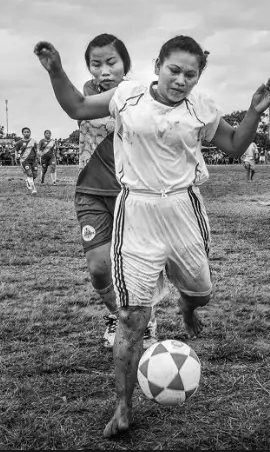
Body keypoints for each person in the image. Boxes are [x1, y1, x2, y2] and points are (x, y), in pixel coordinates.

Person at [34, 34, 270, 438]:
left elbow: (234, 145)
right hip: (137, 211)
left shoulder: (202, 107)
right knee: (131, 316)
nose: (181, 80)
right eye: (174, 70)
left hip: (184, 210)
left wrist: (253, 112)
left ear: (199, 77)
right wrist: (56, 69)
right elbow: (76, 106)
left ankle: (187, 307)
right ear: (157, 65)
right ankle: (123, 409)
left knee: (201, 293)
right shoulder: (127, 96)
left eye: (190, 74)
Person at [72, 33, 165, 350]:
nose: (103, 70)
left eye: (111, 62)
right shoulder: (88, 92)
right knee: (99, 268)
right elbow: (85, 107)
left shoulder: (141, 95)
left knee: (135, 269)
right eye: (95, 64)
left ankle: (145, 321)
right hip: (91, 189)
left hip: (133, 194)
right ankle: (119, 315)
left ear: (125, 64)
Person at [15, 127, 39, 194]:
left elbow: (36, 150)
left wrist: (37, 156)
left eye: (28, 132)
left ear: (30, 133)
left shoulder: (33, 141)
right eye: (25, 132)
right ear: (22, 133)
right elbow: (16, 150)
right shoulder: (20, 142)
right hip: (25, 160)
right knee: (30, 174)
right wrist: (16, 156)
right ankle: (33, 189)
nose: (26, 133)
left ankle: (28, 181)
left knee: (35, 175)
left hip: (33, 160)